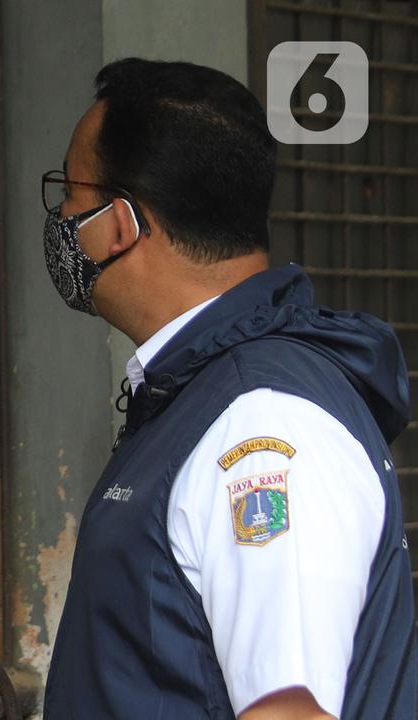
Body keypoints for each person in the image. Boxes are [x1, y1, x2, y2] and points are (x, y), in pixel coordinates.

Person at [40, 58, 416, 719]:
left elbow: (289, 712)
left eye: (69, 193)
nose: (61, 216)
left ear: (121, 224)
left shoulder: (262, 429)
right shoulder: (197, 396)